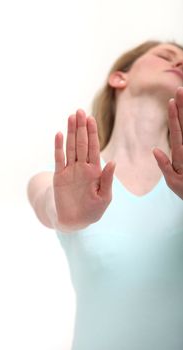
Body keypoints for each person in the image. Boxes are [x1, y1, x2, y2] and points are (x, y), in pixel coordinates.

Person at [28, 40, 183, 350]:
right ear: (119, 78)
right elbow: (46, 200)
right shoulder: (65, 177)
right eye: (167, 57)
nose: (180, 63)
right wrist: (62, 212)